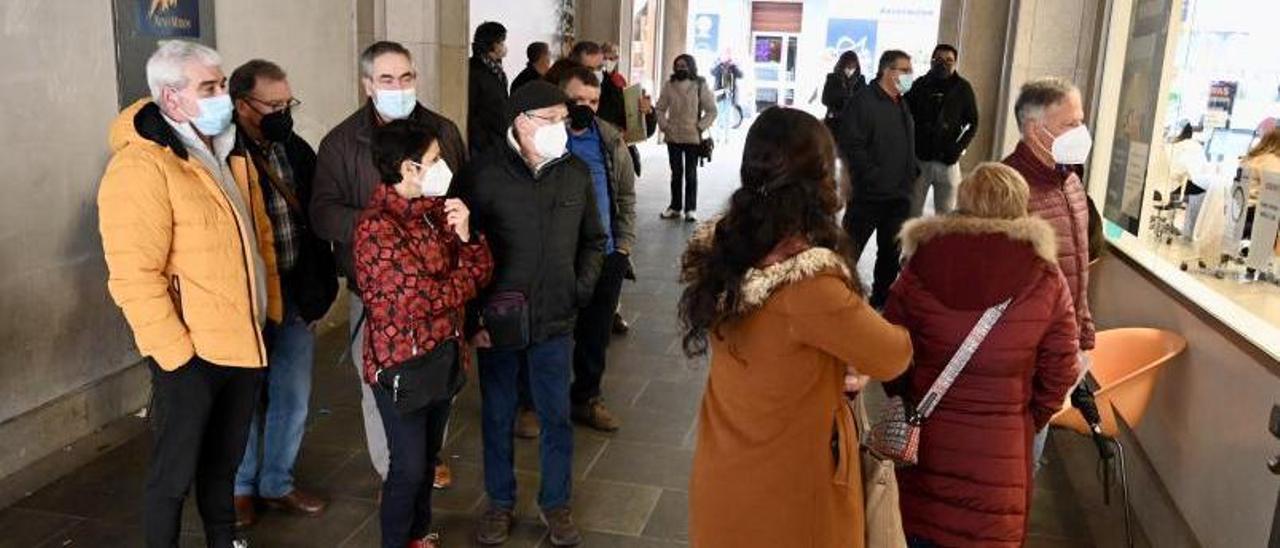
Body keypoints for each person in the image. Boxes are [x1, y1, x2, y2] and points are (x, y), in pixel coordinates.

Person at [681, 107, 912, 548]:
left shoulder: (727, 249)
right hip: (790, 487)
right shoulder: (809, 285)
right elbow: (892, 354)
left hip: (726, 466)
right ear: (822, 178)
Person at [98, 40, 282, 548]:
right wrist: (176, 355)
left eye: (221, 84)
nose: (224, 95)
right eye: (210, 87)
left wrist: (271, 311)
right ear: (171, 98)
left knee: (223, 466)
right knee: (173, 476)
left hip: (243, 341)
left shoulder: (226, 150)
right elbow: (133, 275)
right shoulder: (143, 167)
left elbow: (258, 235)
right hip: (191, 353)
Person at [883, 163, 1082, 548]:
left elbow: (889, 348)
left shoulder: (921, 262)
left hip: (928, 448)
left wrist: (908, 397)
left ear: (964, 201)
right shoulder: (1044, 275)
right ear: (1021, 206)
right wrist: (1025, 416)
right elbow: (1061, 369)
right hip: (1001, 459)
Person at [456, 80, 607, 547]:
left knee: (556, 417)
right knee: (498, 415)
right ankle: (499, 503)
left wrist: (578, 290)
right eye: (553, 119)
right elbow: (460, 249)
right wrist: (472, 319)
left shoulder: (575, 173)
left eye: (564, 119)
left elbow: (594, 241)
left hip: (555, 320)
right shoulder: (482, 175)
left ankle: (555, 504)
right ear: (521, 122)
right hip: (498, 320)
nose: (563, 128)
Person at [311, 40, 467, 490]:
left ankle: (429, 455)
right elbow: (322, 212)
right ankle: (394, 472)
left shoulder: (443, 130)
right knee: (381, 387)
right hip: (376, 292)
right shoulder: (342, 142)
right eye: (386, 79)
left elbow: (466, 190)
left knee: (440, 377)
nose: (399, 87)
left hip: (438, 289)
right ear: (367, 85)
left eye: (406, 78)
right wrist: (384, 228)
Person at [357, 120, 494, 548]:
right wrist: (465, 279)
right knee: (409, 466)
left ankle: (419, 534)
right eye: (434, 160)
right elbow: (418, 301)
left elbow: (480, 268)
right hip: (401, 364)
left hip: (443, 355)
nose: (444, 167)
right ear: (407, 168)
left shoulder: (437, 213)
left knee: (427, 460)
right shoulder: (376, 230)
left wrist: (469, 238)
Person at [229, 59, 338, 528]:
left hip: (296, 291)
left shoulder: (295, 148)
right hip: (245, 299)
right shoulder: (219, 152)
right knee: (244, 396)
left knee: (292, 393)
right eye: (272, 104)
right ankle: (240, 487)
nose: (282, 112)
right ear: (242, 104)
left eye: (287, 102)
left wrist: (320, 289)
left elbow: (315, 220)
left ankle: (278, 481)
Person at [1002, 77, 1096, 468]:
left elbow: (1078, 270)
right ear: (1034, 130)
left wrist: (1083, 335)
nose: (1081, 133)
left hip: (1060, 355)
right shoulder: (1009, 189)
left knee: (1027, 469)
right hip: (1021, 365)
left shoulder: (1071, 182)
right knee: (1013, 471)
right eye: (1069, 124)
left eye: (1081, 121)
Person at [558, 67, 637, 432]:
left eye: (592, 101)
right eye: (578, 101)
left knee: (595, 334)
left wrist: (622, 247)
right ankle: (535, 402)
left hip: (605, 253)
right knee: (551, 333)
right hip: (560, 255)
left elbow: (625, 195)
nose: (585, 107)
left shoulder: (609, 139)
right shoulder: (547, 139)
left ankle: (587, 398)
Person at [840, 50, 918, 308]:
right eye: (904, 70)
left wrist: (912, 172)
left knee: (889, 255)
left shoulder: (902, 102)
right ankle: (837, 301)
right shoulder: (863, 101)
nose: (909, 75)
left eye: (910, 70)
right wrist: (872, 177)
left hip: (899, 196)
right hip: (869, 196)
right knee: (848, 252)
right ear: (887, 71)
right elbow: (852, 145)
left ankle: (881, 302)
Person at [905, 44, 979, 217]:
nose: (943, 64)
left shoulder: (963, 88)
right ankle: (909, 244)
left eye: (949, 60)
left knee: (946, 215)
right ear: (931, 62)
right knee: (911, 212)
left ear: (955, 63)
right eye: (938, 59)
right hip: (920, 160)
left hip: (949, 161)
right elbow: (903, 110)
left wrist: (959, 148)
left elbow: (973, 122)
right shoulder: (919, 85)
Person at [655, 54, 717, 222]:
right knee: (676, 173)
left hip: (692, 137)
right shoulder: (669, 86)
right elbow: (659, 108)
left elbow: (712, 110)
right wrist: (665, 126)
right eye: (678, 65)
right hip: (673, 136)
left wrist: (700, 126)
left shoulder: (700, 85)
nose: (681, 68)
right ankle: (675, 207)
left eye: (684, 65)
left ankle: (691, 209)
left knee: (691, 174)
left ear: (691, 66)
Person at [597, 41, 656, 177]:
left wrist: (648, 112)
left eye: (613, 58)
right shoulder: (594, 84)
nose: (609, 62)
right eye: (606, 58)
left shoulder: (619, 81)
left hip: (621, 146)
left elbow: (632, 116)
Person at [468, 21, 510, 157]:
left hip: (498, 140)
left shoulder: (497, 70)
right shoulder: (474, 70)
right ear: (493, 43)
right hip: (483, 144)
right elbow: (472, 109)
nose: (504, 46)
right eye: (502, 42)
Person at [1169, 123, 1208, 238]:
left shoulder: (1173, 145)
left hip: (1170, 185)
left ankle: (1171, 222)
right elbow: (1202, 170)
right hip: (1183, 186)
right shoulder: (1196, 146)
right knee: (1204, 190)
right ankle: (1190, 231)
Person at [821, 50, 865, 143]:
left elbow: (862, 100)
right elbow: (825, 99)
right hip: (834, 121)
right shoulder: (832, 78)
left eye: (853, 66)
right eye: (847, 66)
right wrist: (844, 98)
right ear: (842, 65)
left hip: (853, 124)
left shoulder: (860, 80)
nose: (850, 69)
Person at [710, 50, 743, 139]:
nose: (727, 57)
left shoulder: (733, 68)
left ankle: (727, 137)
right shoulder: (719, 67)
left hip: (730, 95)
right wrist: (719, 63)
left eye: (729, 55)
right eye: (726, 55)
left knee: (728, 116)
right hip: (720, 94)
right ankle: (718, 136)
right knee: (719, 115)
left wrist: (735, 65)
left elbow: (741, 75)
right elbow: (712, 72)